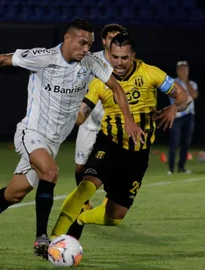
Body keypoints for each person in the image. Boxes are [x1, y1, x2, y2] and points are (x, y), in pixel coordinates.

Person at [0, 18, 144, 259]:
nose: (86, 48)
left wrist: (128, 119)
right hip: (30, 133)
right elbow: (1, 59)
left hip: (52, 143)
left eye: (90, 44)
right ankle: (42, 239)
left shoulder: (91, 62)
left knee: (14, 194)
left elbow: (116, 88)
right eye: (82, 42)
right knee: (51, 172)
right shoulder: (44, 57)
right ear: (67, 39)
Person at [51, 33, 192, 240]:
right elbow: (82, 115)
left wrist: (173, 109)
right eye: (114, 57)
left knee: (114, 217)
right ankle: (53, 239)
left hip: (138, 153)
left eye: (124, 57)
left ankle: (82, 219)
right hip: (110, 144)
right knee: (85, 187)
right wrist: (65, 117)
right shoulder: (101, 81)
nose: (118, 63)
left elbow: (184, 97)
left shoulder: (151, 74)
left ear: (132, 55)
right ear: (108, 54)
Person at [74, 23, 126, 211]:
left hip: (113, 125)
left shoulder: (124, 61)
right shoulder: (89, 59)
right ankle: (84, 202)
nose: (115, 41)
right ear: (104, 40)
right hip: (89, 122)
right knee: (80, 166)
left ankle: (110, 199)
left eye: (119, 38)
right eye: (111, 38)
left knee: (116, 165)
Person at [167, 61, 198, 175]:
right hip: (177, 117)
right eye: (182, 70)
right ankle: (171, 168)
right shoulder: (172, 83)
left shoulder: (192, 84)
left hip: (189, 117)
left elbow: (194, 95)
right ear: (177, 71)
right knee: (174, 143)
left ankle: (181, 167)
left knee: (186, 143)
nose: (184, 72)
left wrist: (186, 82)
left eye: (186, 70)